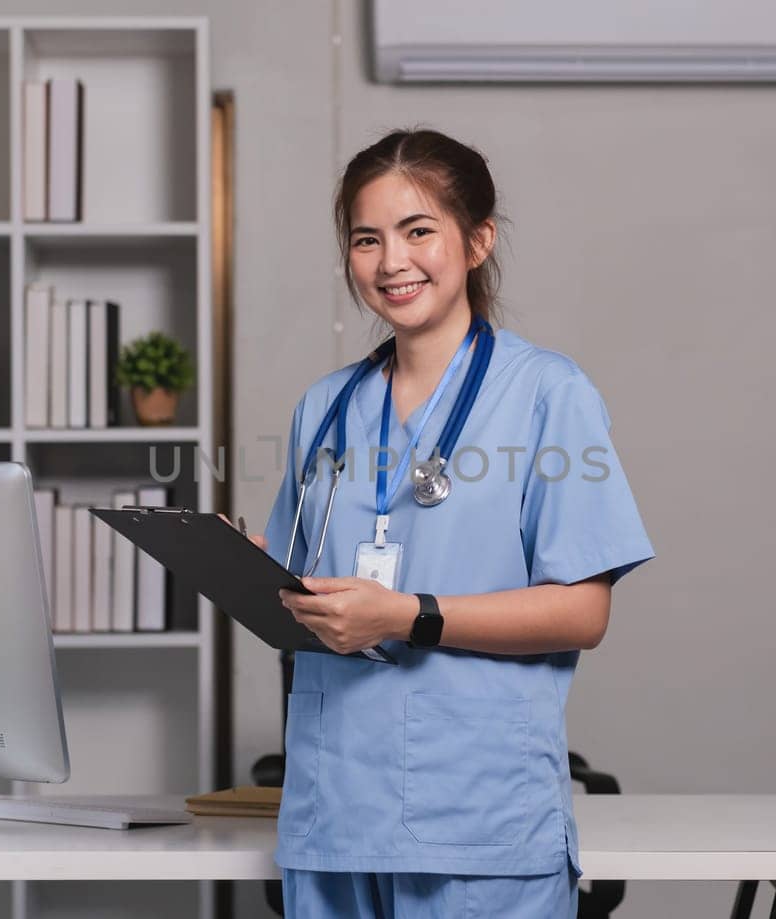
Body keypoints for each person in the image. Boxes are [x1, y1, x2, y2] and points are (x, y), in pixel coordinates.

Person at [249, 127, 653, 918]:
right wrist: (244, 566)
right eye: (366, 239)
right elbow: (302, 601)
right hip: (332, 819)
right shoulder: (324, 408)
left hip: (480, 824)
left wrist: (410, 615)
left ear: (477, 241)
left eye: (418, 231)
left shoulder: (547, 395)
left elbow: (584, 609)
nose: (391, 260)